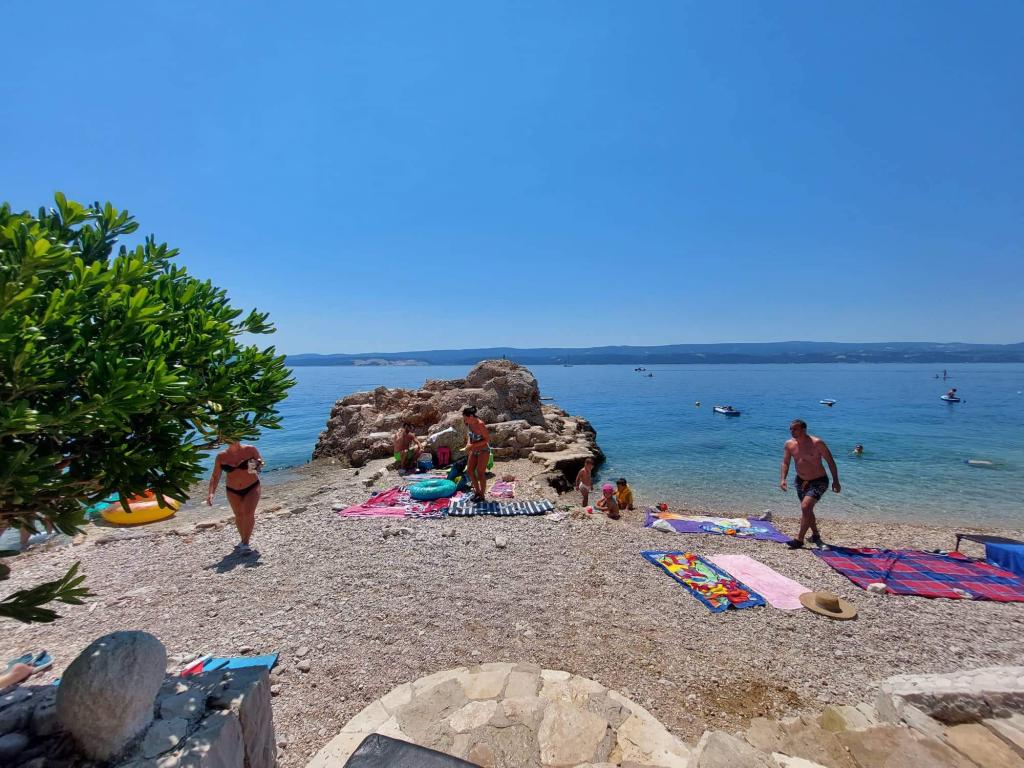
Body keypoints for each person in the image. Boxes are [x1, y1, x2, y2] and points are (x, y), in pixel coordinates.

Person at [780, 419, 840, 549]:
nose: (792, 431)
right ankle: (816, 536)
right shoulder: (789, 444)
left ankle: (799, 539)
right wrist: (783, 479)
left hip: (819, 480)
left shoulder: (817, 443)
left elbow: (830, 462)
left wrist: (836, 480)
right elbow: (785, 462)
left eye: (795, 429)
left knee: (806, 507)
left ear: (804, 429)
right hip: (800, 481)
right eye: (791, 429)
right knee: (807, 509)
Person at [207, 438, 265, 555]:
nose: (231, 440)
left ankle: (246, 543)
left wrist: (255, 464)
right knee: (239, 515)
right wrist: (211, 493)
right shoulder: (221, 456)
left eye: (233, 436)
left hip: (252, 486)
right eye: (228, 437)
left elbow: (260, 466)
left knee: (248, 513)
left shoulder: (250, 449)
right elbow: (215, 476)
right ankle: (243, 540)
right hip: (232, 490)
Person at [462, 406, 490, 502]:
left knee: (480, 473)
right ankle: (477, 492)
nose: (465, 420)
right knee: (470, 470)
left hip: (483, 450)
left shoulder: (480, 424)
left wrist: (472, 445)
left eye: (465, 418)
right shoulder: (469, 423)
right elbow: (470, 436)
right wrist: (468, 445)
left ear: (471, 416)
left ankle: (482, 495)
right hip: (473, 449)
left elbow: (487, 440)